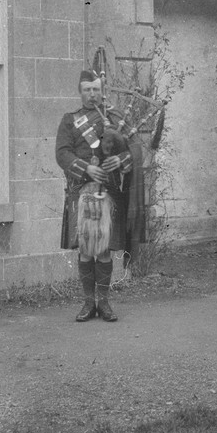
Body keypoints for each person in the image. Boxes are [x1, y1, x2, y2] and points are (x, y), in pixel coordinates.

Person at [55, 69, 134, 322]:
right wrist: (86, 168)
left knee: (104, 250)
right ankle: (89, 303)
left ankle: (105, 303)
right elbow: (62, 153)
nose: (92, 94)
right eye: (87, 90)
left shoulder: (115, 119)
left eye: (96, 89)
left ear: (102, 91)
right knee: (86, 251)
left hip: (108, 194)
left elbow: (134, 151)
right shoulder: (70, 121)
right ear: (80, 92)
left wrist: (119, 161)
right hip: (82, 193)